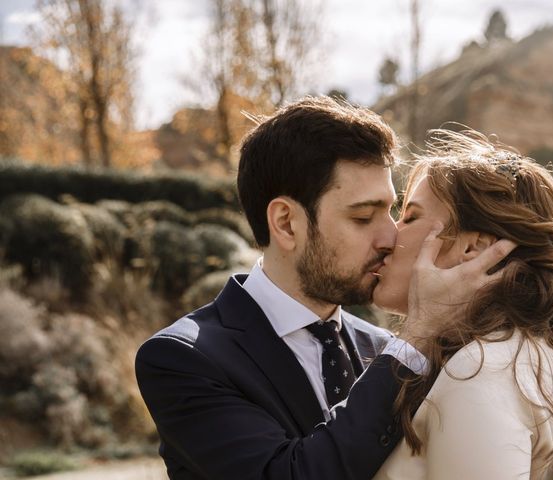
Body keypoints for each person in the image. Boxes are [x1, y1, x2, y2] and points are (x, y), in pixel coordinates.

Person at [135, 98, 514, 479]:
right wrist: (419, 335)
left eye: (392, 212)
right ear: (286, 223)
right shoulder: (183, 359)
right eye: (363, 216)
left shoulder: (385, 350)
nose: (390, 237)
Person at [372, 129, 553, 479]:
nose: (390, 234)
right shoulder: (504, 357)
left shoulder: (481, 371)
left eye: (409, 217)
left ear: (472, 247)